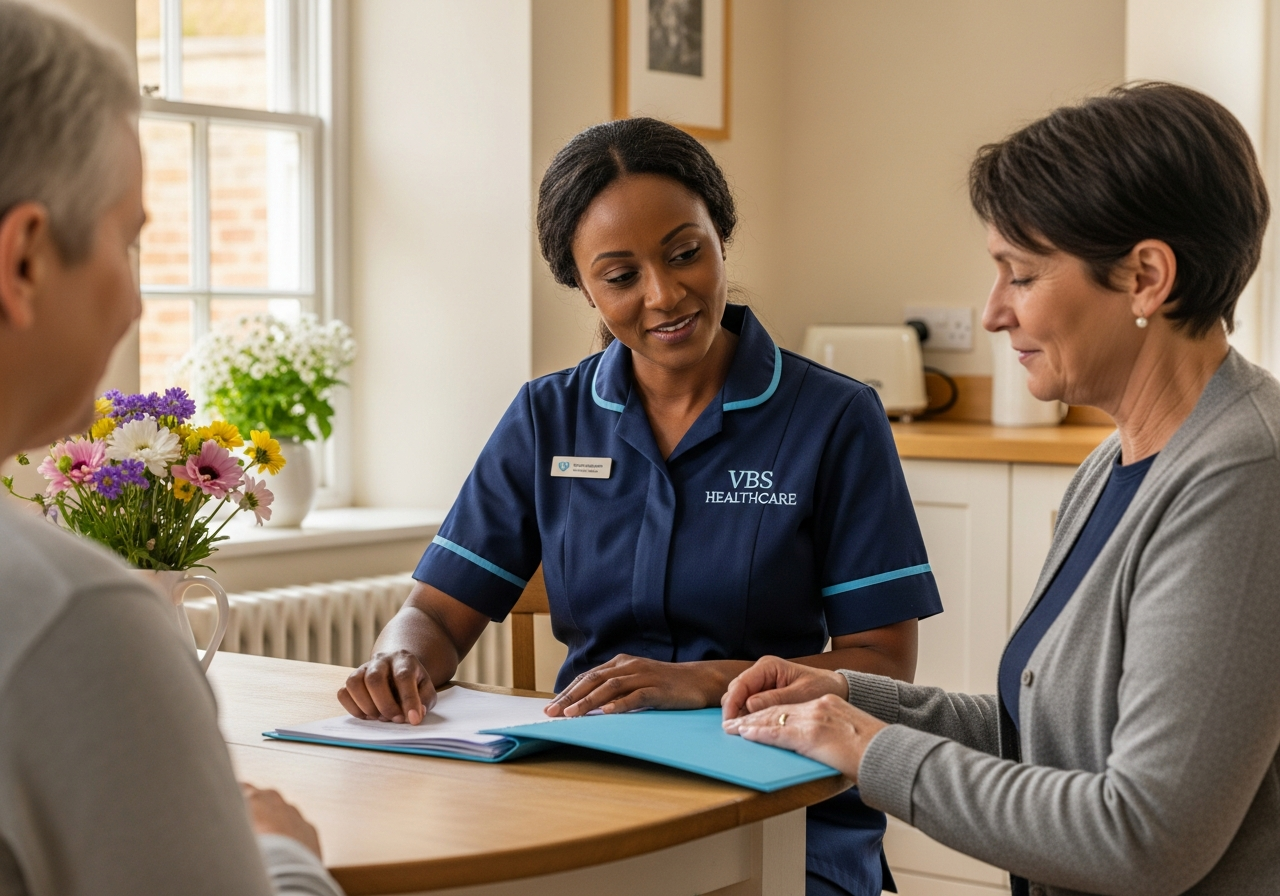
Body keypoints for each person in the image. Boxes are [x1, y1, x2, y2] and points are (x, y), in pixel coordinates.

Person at [337, 116, 944, 896]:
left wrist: (707, 680)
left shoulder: (833, 416)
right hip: (587, 791)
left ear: (721, 234)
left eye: (685, 253)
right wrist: (400, 661)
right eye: (621, 276)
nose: (664, 295)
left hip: (785, 804)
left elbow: (882, 661)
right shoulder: (546, 417)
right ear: (582, 285)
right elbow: (435, 613)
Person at [720, 83, 1280, 896]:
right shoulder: (1115, 465)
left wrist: (868, 749)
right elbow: (1049, 738)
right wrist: (847, 698)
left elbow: (1146, 835)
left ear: (1146, 277)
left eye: (1020, 275)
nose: (991, 313)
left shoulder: (1242, 481)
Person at [0, 3, 342, 894]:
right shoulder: (73, 620)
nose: (136, 303)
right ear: (23, 260)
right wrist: (284, 855)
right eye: (127, 242)